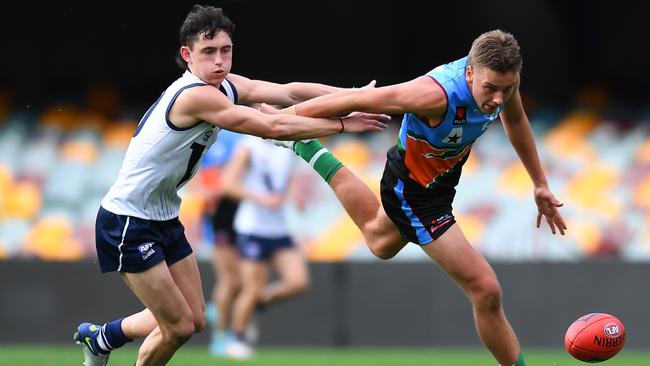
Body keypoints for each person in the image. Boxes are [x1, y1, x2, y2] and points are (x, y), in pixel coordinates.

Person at [73, 5, 388, 366]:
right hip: (127, 221)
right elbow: (273, 127)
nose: (220, 60)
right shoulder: (196, 95)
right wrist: (345, 125)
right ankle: (104, 342)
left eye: (226, 50)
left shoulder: (223, 85)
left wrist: (356, 96)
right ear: (187, 55)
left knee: (195, 320)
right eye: (209, 52)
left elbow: (288, 92)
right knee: (176, 326)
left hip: (163, 217)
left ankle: (102, 339)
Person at [266, 29, 567, 366]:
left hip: (441, 180)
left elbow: (515, 119)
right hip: (413, 191)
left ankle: (307, 149)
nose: (499, 98)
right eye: (491, 89)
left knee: (379, 243)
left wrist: (539, 183)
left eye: (507, 89)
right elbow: (357, 101)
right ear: (470, 72)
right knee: (486, 290)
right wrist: (282, 120)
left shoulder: (502, 81)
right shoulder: (431, 96)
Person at [218, 135, 309, 359]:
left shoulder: (287, 146)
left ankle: (259, 303)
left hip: (278, 227)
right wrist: (261, 199)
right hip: (253, 227)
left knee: (298, 281)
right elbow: (228, 184)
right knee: (252, 286)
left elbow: (284, 179)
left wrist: (295, 195)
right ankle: (236, 338)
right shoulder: (249, 146)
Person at [197, 128, 244, 356]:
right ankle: (221, 337)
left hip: (241, 216)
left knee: (237, 281)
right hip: (221, 217)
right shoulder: (222, 136)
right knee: (231, 280)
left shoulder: (244, 135)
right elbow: (211, 184)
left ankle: (219, 313)